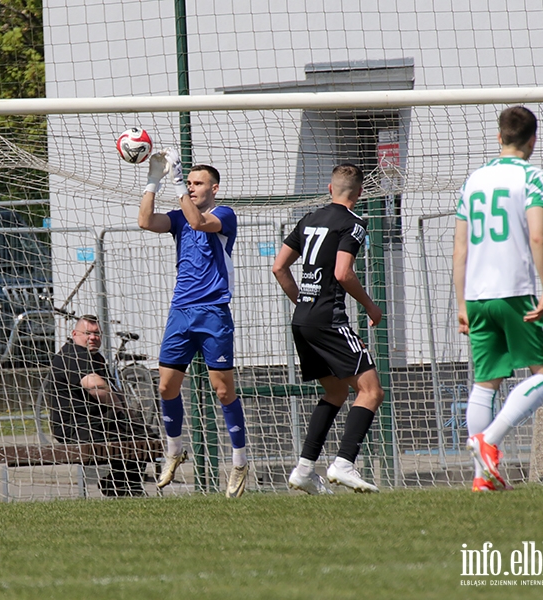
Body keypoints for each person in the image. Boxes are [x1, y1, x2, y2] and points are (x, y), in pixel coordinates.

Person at [454, 105, 543, 492]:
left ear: (499, 137)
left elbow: (460, 247)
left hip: (477, 296)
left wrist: (461, 303)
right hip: (515, 292)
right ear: (533, 140)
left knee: (486, 381)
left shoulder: (473, 179)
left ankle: (483, 477)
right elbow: (537, 235)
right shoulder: (532, 177)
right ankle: (489, 440)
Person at [138, 148, 249, 498]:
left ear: (214, 188)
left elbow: (200, 222)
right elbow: (145, 221)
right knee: (166, 387)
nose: (192, 187)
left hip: (213, 312)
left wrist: (175, 184)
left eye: (198, 183)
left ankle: (240, 461)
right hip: (180, 312)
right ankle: (174, 451)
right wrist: (153, 181)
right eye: (189, 182)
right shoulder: (179, 216)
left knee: (223, 390)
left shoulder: (224, 214)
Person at [272, 163, 384, 494]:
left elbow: (279, 267)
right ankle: (344, 463)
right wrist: (369, 305)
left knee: (335, 392)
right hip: (328, 320)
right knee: (372, 391)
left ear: (330, 188)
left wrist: (304, 303)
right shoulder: (355, 224)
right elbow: (343, 273)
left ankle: (304, 471)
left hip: (303, 319)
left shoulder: (308, 219)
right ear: (360, 192)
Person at [49, 314, 156, 497]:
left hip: (99, 421)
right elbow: (96, 386)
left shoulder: (96, 358)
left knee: (144, 434)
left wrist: (126, 412)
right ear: (75, 334)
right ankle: (121, 485)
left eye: (97, 334)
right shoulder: (74, 354)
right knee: (131, 435)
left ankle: (123, 485)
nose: (93, 337)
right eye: (87, 333)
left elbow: (111, 388)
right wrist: (122, 409)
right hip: (76, 426)